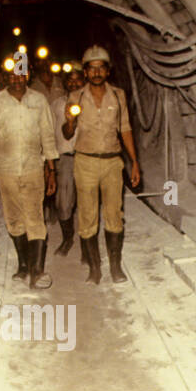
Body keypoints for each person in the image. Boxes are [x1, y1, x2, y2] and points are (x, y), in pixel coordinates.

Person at [62, 45, 140, 284]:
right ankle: (94, 269)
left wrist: (134, 162)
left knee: (114, 215)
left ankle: (115, 267)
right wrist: (70, 121)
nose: (96, 72)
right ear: (85, 72)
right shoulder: (75, 97)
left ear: (108, 71)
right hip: (85, 162)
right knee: (87, 217)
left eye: (101, 68)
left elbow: (125, 128)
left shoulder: (118, 95)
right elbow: (67, 134)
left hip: (112, 163)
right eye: (92, 68)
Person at [0, 59, 58, 289]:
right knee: (14, 219)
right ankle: (23, 265)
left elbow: (48, 136)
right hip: (5, 170)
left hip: (34, 168)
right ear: (5, 76)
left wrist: (51, 170)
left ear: (28, 74)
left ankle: (37, 271)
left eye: (21, 73)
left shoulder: (39, 100)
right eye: (11, 74)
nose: (16, 78)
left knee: (35, 218)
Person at [50, 66, 85, 256]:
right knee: (63, 204)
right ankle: (67, 238)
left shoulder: (92, 102)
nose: (73, 83)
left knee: (88, 204)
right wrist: (49, 164)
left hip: (87, 158)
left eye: (77, 79)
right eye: (69, 79)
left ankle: (88, 247)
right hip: (65, 158)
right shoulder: (56, 105)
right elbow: (49, 134)